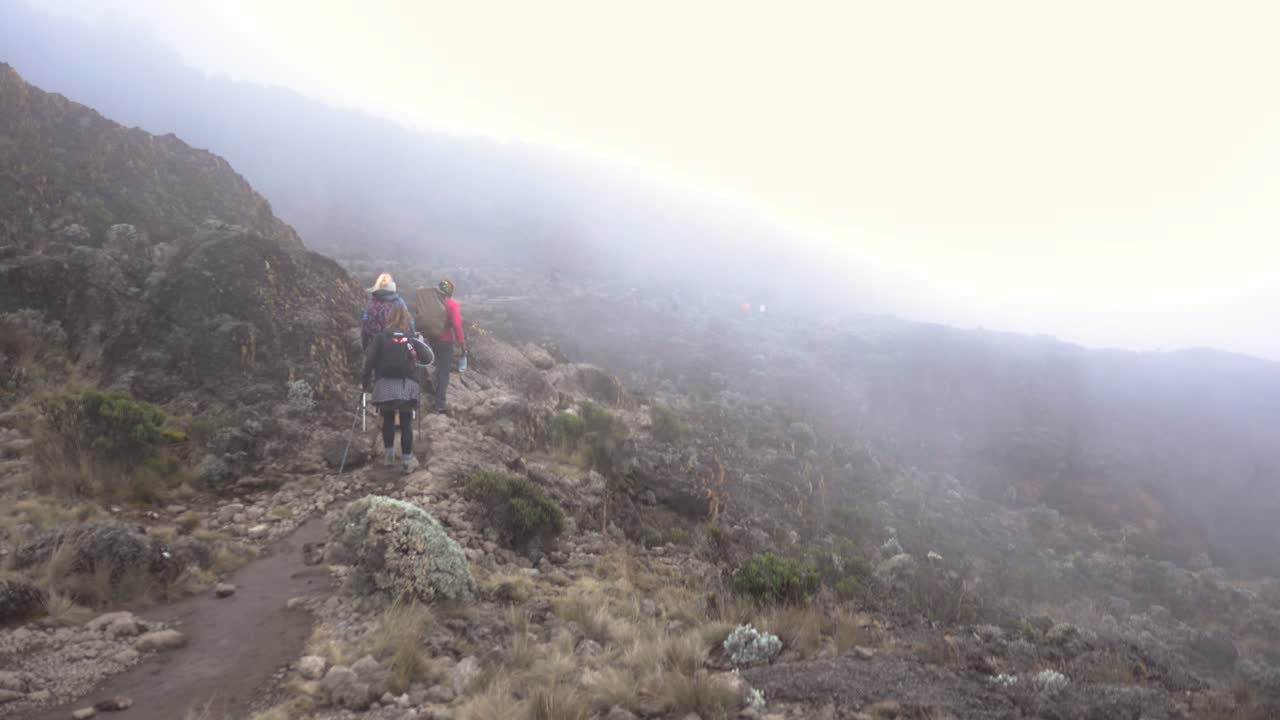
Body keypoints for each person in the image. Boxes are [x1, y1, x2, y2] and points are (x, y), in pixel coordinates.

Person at [361, 313, 432, 472]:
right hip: (407, 385)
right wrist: (420, 342)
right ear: (406, 320)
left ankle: (389, 457)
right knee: (406, 423)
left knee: (388, 419)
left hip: (385, 384)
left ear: (389, 320)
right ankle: (407, 462)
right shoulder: (411, 337)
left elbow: (370, 359)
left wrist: (365, 381)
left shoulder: (380, 337)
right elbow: (427, 359)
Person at [429, 279, 466, 414]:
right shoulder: (452, 304)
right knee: (444, 371)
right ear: (450, 292)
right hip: (445, 341)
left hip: (431, 339)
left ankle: (432, 392)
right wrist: (462, 344)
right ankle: (439, 404)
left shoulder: (431, 304)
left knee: (436, 366)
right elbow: (456, 325)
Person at [360, 273, 415, 350]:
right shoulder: (399, 302)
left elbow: (364, 324)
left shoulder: (370, 304)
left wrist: (365, 345)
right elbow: (409, 323)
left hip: (374, 347)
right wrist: (411, 341)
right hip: (396, 346)